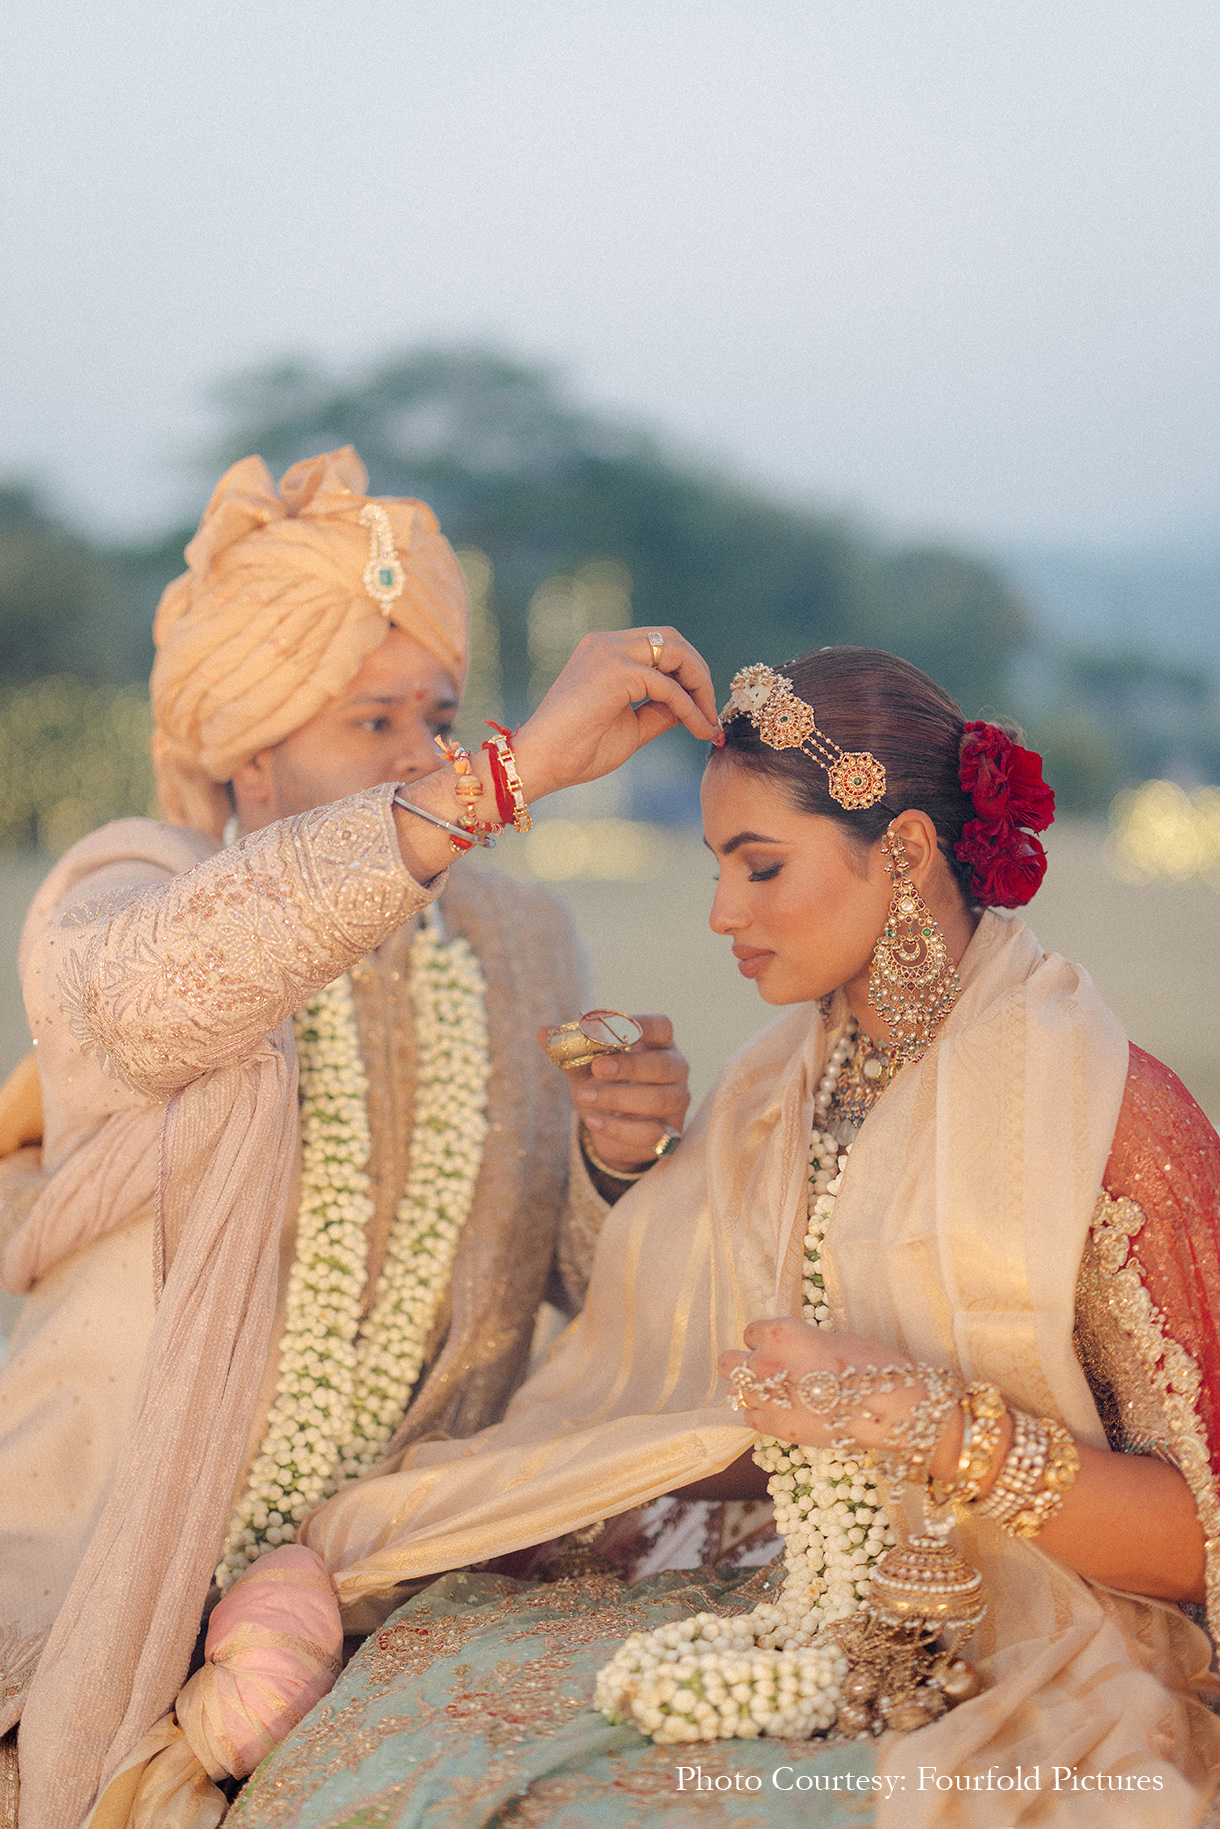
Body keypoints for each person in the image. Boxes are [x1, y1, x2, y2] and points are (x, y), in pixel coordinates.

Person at [197, 646, 1218, 1829]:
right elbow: (682, 1375)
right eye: (715, 865)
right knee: (388, 1746)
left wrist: (918, 1418)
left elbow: (1194, 1537)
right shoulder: (779, 1088)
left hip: (1026, 1640)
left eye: (760, 864)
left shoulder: (1100, 1112)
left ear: (901, 854)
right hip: (789, 1581)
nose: (722, 912)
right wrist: (627, 1159)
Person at [0, 446, 723, 1829]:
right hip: (111, 1552)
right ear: (251, 756)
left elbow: (576, 1282)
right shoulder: (128, 889)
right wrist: (503, 779)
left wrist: (616, 1160)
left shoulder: (516, 940)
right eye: (369, 720)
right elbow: (161, 1002)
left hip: (409, 1577)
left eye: (441, 715)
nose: (421, 754)